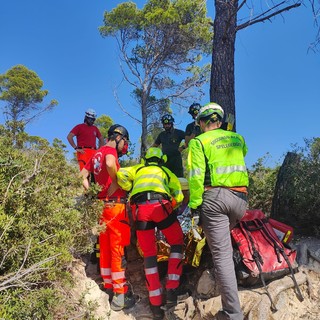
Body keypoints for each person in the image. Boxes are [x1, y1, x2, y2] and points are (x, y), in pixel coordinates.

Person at [187, 102, 249, 320]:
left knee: (221, 256)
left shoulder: (198, 142)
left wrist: (194, 208)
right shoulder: (237, 138)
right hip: (241, 201)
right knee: (225, 249)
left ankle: (233, 314)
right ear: (220, 121)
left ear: (202, 122)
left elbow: (195, 176)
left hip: (215, 200)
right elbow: (243, 151)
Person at [116, 147, 185, 320]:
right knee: (177, 241)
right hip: (160, 206)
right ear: (161, 159)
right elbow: (179, 196)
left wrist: (130, 186)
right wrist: (172, 207)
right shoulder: (165, 171)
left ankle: (155, 304)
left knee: (149, 254)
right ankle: (172, 288)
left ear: (146, 159)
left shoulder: (137, 169)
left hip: (140, 210)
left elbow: (120, 175)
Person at [80, 124, 136, 311]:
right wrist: (116, 182)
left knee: (104, 247)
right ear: (118, 137)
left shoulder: (96, 153)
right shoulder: (110, 151)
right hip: (115, 206)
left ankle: (109, 286)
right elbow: (111, 163)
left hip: (101, 206)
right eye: (125, 142)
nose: (124, 146)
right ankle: (120, 295)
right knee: (117, 248)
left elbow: (82, 175)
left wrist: (93, 193)